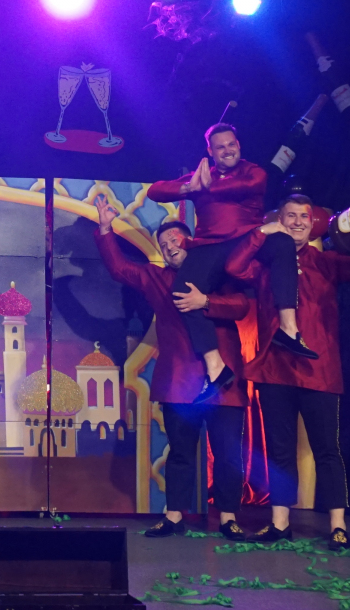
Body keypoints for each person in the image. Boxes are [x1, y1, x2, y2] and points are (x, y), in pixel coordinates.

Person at [95, 200, 256, 540]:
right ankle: (174, 516)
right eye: (164, 244)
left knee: (228, 454)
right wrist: (106, 228)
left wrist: (206, 302)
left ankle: (228, 517)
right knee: (180, 453)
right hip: (180, 383)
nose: (169, 247)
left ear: (191, 241)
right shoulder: (156, 278)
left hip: (224, 383)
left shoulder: (219, 273)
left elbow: (242, 306)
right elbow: (119, 269)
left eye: (175, 240)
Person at [229, 192, 350, 551]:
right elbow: (234, 267)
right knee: (280, 450)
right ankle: (280, 523)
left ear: (312, 225)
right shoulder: (264, 264)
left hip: (318, 369)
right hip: (274, 369)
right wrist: (261, 233)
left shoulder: (324, 262)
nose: (296, 222)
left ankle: (338, 526)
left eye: (303, 217)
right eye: (290, 216)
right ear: (279, 220)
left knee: (327, 449)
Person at [147, 122, 317, 398]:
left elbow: (249, 184)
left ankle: (288, 328)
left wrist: (206, 188)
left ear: (238, 145)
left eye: (231, 144)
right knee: (181, 291)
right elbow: (155, 191)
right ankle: (216, 367)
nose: (227, 150)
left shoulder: (252, 171)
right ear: (210, 152)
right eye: (220, 147)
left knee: (283, 242)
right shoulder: (201, 177)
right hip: (210, 245)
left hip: (248, 239)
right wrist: (189, 186)